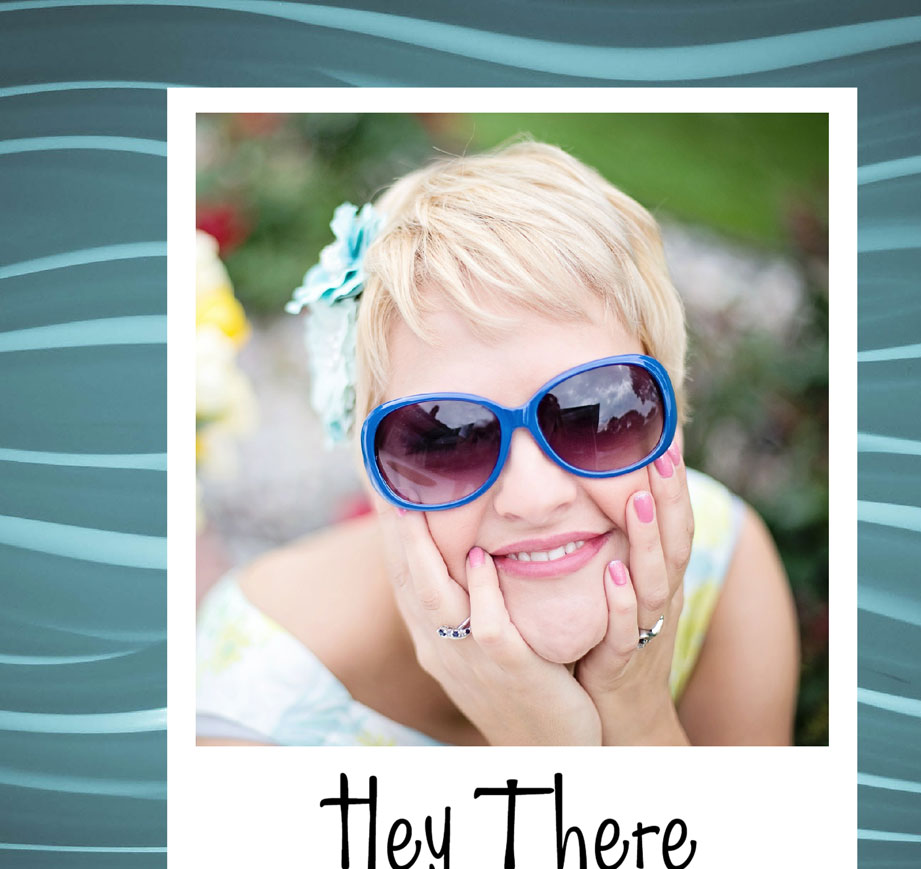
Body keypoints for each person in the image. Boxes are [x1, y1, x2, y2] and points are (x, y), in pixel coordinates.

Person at [196, 140, 799, 746]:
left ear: (674, 407)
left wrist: (638, 714)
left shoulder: (724, 565)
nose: (533, 498)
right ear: (370, 468)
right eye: (446, 440)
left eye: (595, 413)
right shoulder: (251, 708)